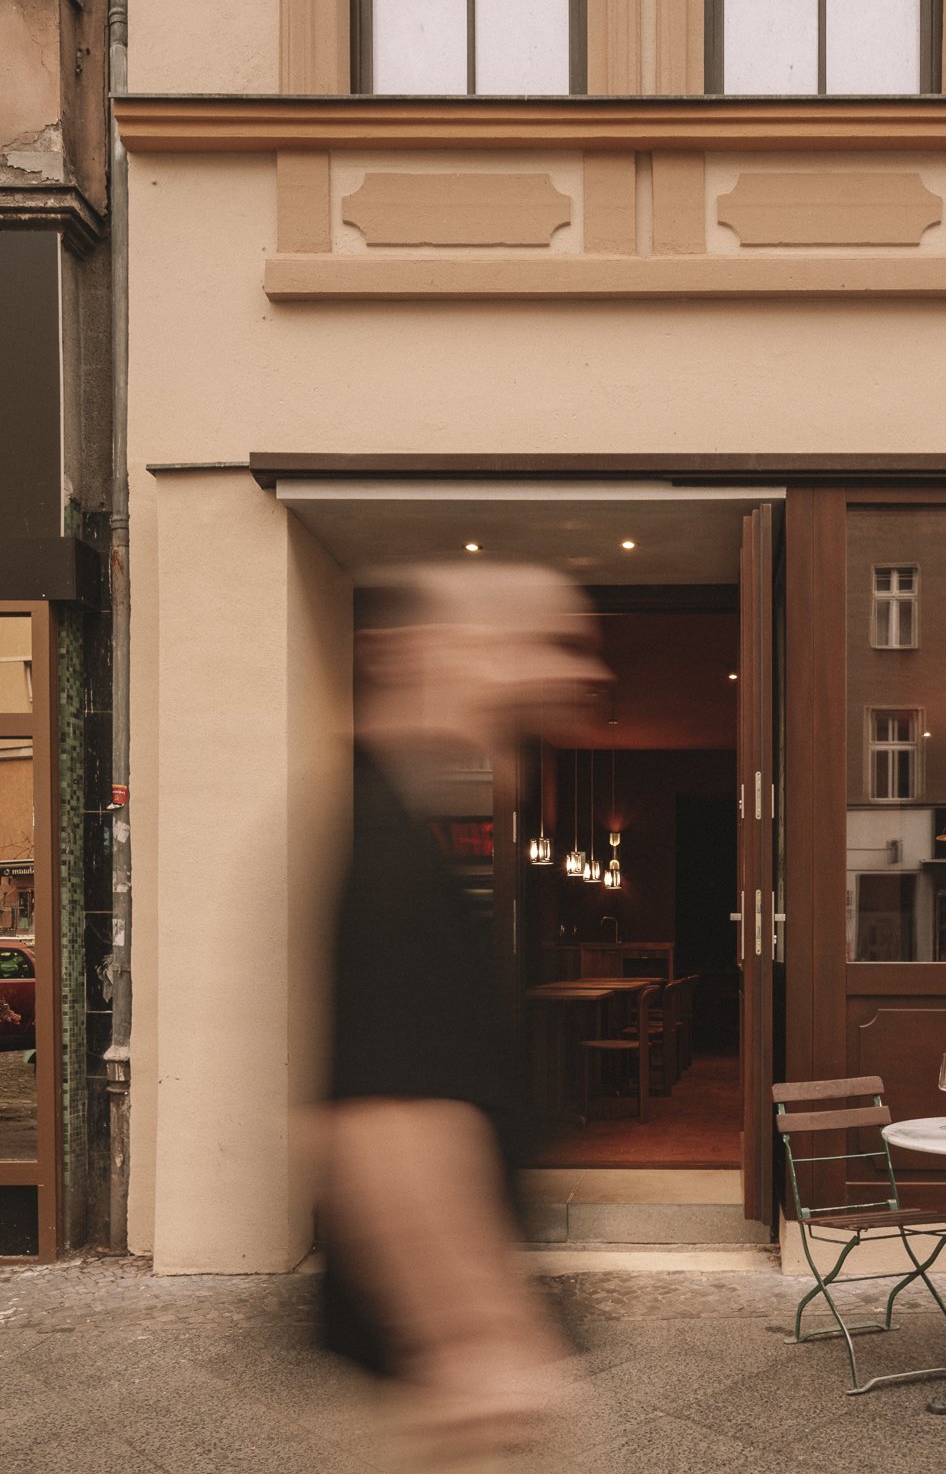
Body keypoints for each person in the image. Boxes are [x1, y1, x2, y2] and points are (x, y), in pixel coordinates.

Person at [316, 561, 613, 1471]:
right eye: (538, 642)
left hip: (426, 1362)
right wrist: (474, 1344)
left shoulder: (393, 819)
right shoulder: (385, 852)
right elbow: (385, 1126)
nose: (582, 674)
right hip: (436, 1381)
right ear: (413, 654)